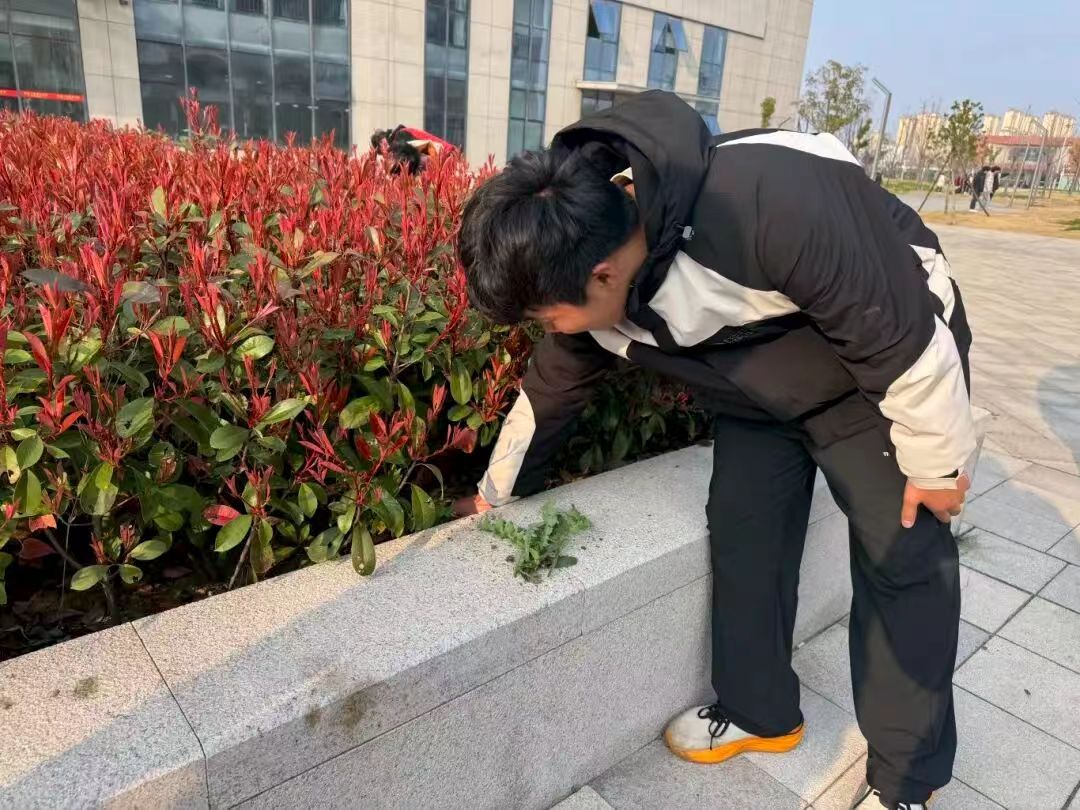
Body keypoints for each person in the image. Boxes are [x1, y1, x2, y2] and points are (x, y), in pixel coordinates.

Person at [455, 92, 974, 810]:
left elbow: (902, 340)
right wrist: (495, 496)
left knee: (902, 556)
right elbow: (549, 393)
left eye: (546, 317)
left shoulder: (769, 202)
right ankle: (761, 711)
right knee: (744, 530)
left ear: (602, 274)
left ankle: (907, 779)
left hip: (879, 370)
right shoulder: (585, 273)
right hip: (761, 385)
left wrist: (939, 463)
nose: (549, 330)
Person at [370, 125, 456, 173]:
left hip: (447, 155)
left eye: (381, 142)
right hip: (448, 154)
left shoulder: (400, 136)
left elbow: (428, 148)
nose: (384, 147)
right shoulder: (401, 134)